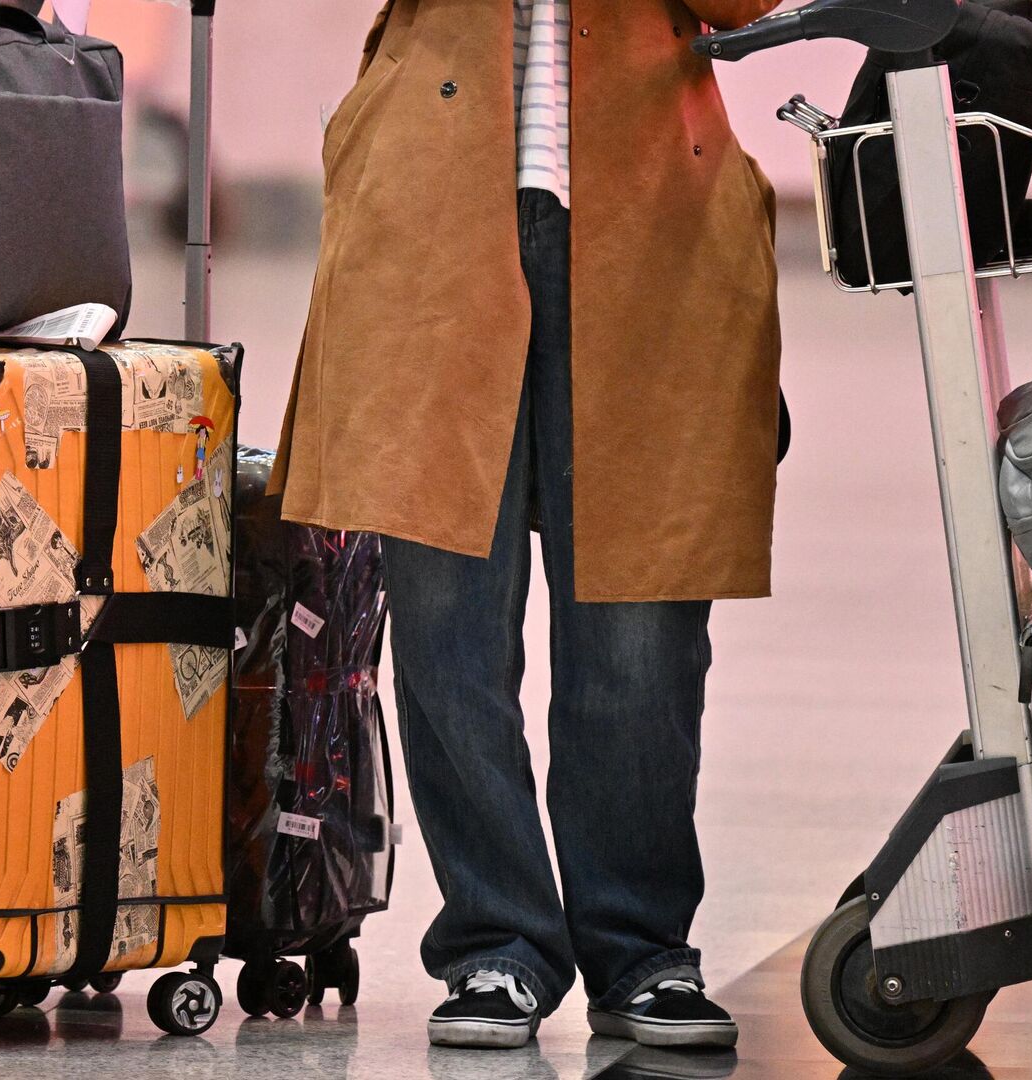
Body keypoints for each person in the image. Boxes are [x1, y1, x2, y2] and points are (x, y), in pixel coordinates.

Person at [270, 0, 783, 1051]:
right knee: (448, 623)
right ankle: (494, 941)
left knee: (641, 629)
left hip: (655, 212)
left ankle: (641, 948)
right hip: (429, 218)